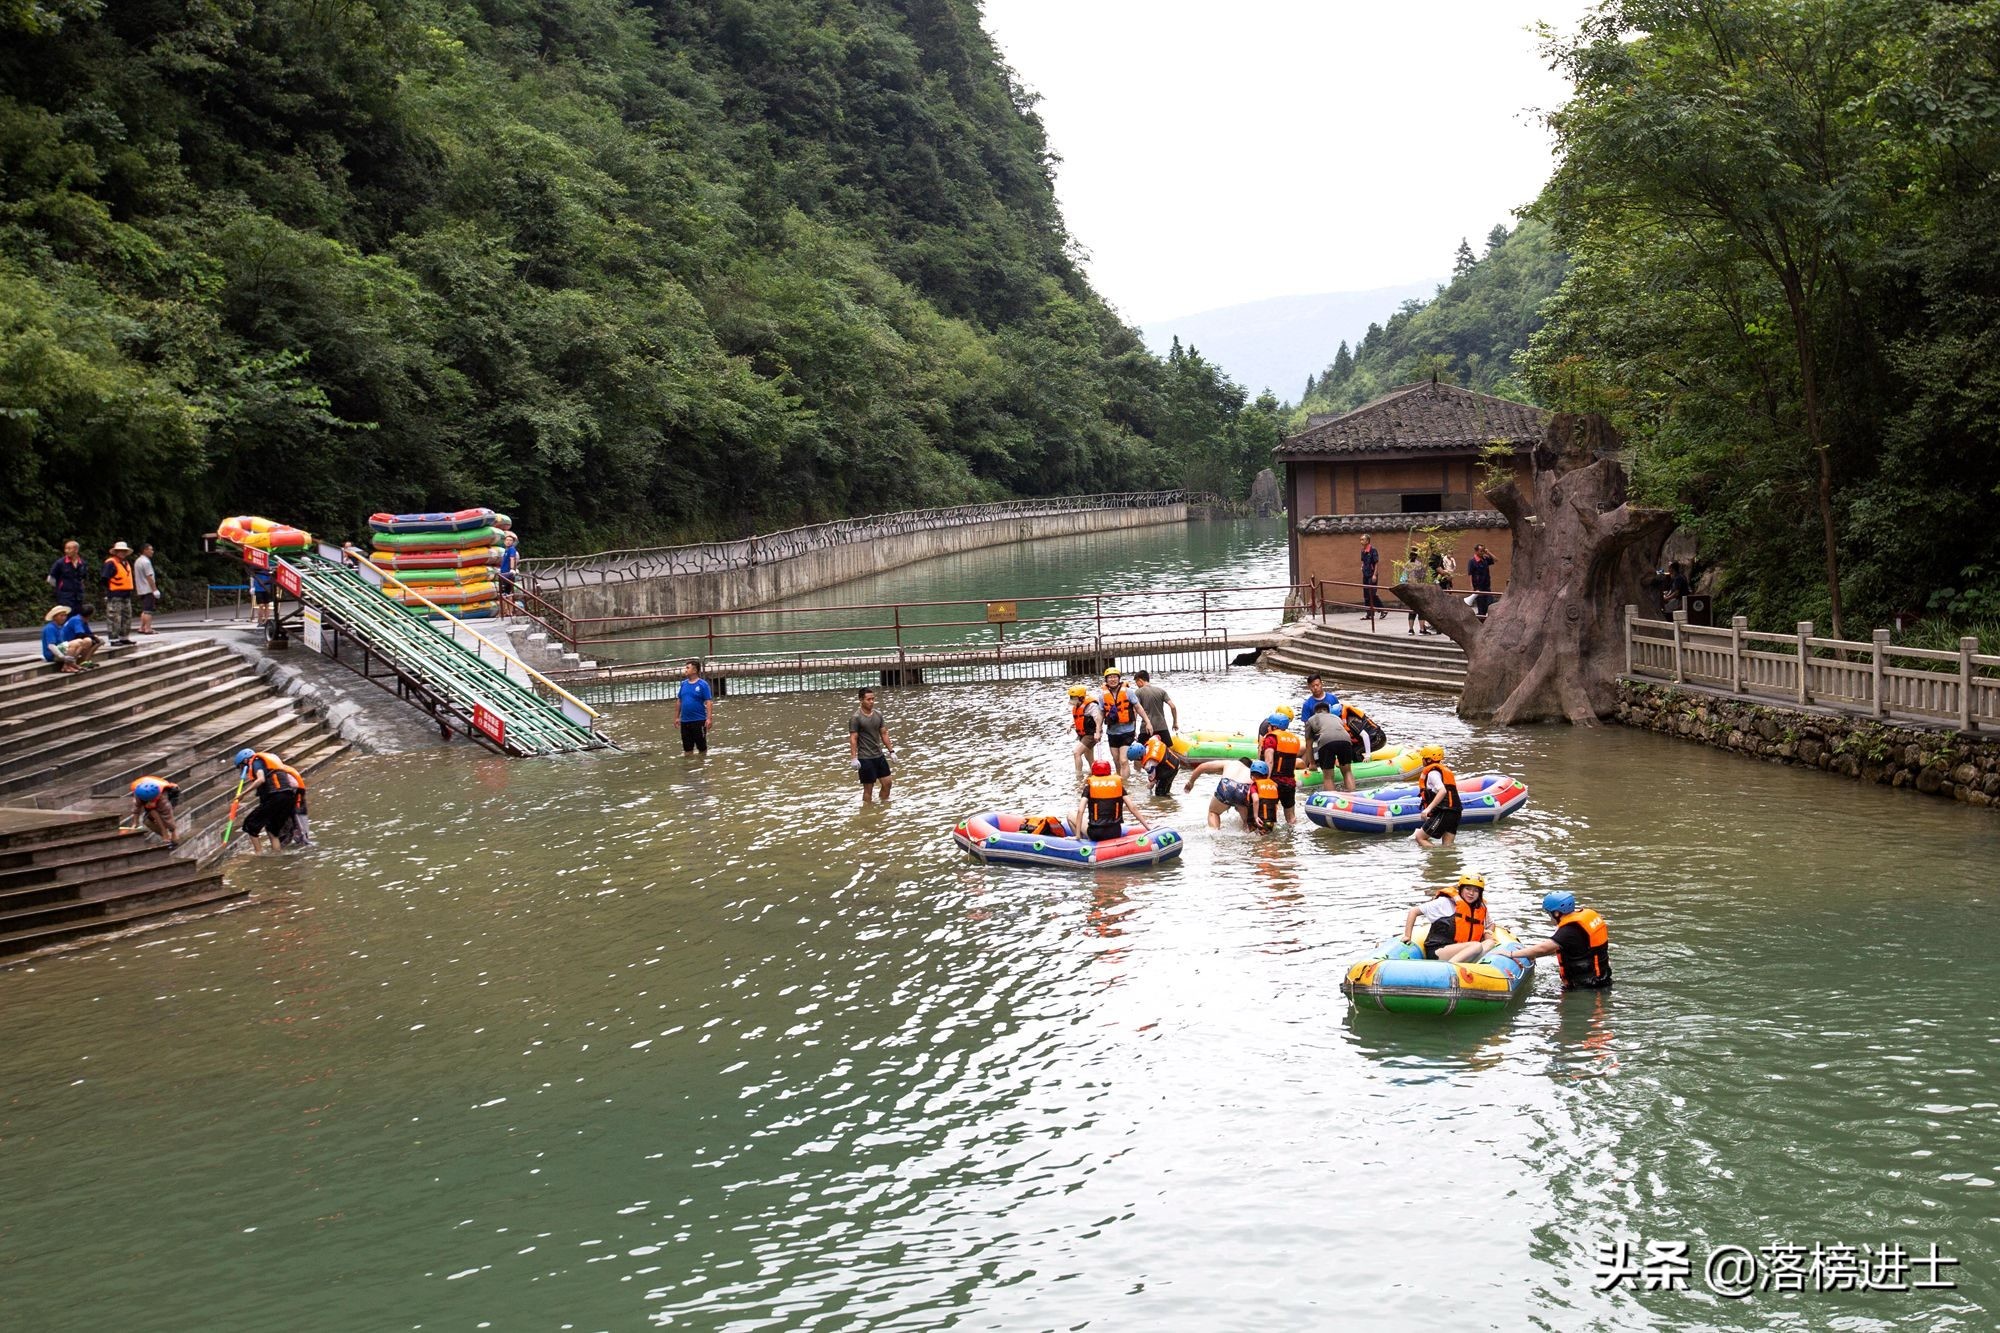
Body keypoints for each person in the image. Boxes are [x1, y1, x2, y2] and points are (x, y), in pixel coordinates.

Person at [1496, 892, 1613, 991]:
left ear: (1557, 913)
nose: (1550, 917)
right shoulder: (1584, 921)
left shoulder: (1568, 931)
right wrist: (1532, 955)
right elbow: (1559, 948)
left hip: (1584, 986)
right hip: (1602, 979)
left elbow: (1544, 948)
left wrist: (1512, 954)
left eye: (1549, 913)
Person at [1401, 873, 1493, 963]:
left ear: (1480, 893)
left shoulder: (1480, 907)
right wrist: (1407, 936)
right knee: (1476, 946)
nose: (1471, 893)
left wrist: (1487, 932)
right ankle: (1448, 969)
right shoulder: (1445, 902)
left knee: (1490, 943)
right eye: (1467, 889)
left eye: (1476, 890)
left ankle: (1470, 969)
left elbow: (1490, 924)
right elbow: (1414, 911)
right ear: (1461, 889)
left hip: (1464, 950)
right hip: (1439, 950)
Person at [235, 748, 306, 853]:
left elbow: (261, 779)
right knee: (272, 830)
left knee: (250, 825)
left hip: (276, 797)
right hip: (288, 797)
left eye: (241, 766)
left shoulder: (256, 762)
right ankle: (276, 854)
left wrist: (243, 794)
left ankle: (258, 854)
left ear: (245, 761)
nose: (242, 770)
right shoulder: (267, 764)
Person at [1182, 757, 1267, 831]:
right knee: (1246, 822)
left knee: (1213, 812)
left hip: (1226, 786)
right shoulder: (1251, 772)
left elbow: (1202, 767)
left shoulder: (1230, 763)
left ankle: (1215, 833)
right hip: (1244, 789)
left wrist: (1191, 782)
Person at [1075, 759, 1148, 843]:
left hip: (1096, 833)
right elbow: (1133, 808)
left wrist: (1077, 835)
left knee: (1070, 815)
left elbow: (1080, 811)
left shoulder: (1089, 787)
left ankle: (1079, 840)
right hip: (1115, 832)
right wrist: (1148, 828)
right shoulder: (1118, 786)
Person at [1412, 742, 1462, 849]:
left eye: (1424, 758)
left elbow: (1442, 791)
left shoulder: (1432, 774)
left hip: (1445, 811)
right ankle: (1445, 863)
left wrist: (1427, 809)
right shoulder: (1443, 771)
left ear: (1429, 760)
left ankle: (1438, 857)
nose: (1422, 760)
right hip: (1455, 812)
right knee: (1448, 845)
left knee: (1420, 837)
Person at [1257, 713, 1304, 825]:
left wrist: (1266, 780)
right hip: (1289, 783)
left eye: (1269, 725)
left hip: (1274, 782)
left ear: (1275, 727)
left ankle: (1269, 839)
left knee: (1267, 815)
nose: (1267, 728)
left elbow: (1269, 761)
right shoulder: (1294, 739)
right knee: (1291, 817)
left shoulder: (1271, 738)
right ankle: (1291, 839)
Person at [1303, 696, 1358, 791]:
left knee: (1328, 777)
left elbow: (1309, 744)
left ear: (1315, 712)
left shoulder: (1311, 719)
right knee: (1347, 772)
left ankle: (1332, 801)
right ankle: (1352, 796)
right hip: (1346, 740)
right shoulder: (1336, 718)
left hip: (1326, 741)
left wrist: (1312, 764)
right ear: (1328, 711)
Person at [850, 687, 893, 805]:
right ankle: (867, 810)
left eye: (873, 699)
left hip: (879, 755)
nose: (871, 702)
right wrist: (854, 758)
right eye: (868, 699)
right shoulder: (856, 718)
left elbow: (884, 733)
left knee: (888, 783)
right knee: (868, 789)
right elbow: (853, 738)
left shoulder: (878, 714)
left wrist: (891, 751)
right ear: (861, 700)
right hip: (865, 758)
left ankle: (883, 807)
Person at [1100, 668, 1142, 779]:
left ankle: (1126, 785)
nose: (1112, 679)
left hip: (1127, 731)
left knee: (1123, 760)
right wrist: (1097, 730)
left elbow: (1138, 707)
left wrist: (1147, 722)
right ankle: (1120, 782)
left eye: (1115, 677)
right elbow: (1100, 714)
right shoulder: (1102, 696)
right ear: (1106, 680)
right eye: (1110, 677)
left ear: (1119, 679)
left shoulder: (1128, 692)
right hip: (1112, 732)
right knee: (1116, 760)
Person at [99, 541, 136, 645]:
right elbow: (104, 578)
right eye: (120, 551)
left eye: (124, 551)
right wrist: (108, 591)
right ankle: (113, 639)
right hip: (115, 593)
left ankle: (124, 637)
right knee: (114, 617)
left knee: (127, 616)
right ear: (116, 552)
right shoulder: (110, 562)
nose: (122, 553)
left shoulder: (126, 563)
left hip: (126, 593)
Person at [128, 775, 182, 848]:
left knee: (168, 823)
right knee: (148, 820)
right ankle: (165, 834)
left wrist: (172, 829)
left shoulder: (163, 798)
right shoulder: (138, 794)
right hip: (148, 793)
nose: (150, 802)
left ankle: (171, 837)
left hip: (171, 796)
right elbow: (136, 808)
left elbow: (168, 817)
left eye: (152, 801)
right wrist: (135, 823)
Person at [40, 605, 95, 673]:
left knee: (81, 641)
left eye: (65, 615)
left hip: (60, 650)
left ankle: (71, 664)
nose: (64, 618)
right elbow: (51, 645)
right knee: (77, 642)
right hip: (52, 655)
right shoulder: (50, 628)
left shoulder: (59, 627)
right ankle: (67, 666)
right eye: (61, 616)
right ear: (55, 617)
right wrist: (62, 657)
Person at [1132, 670, 1178, 748]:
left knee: (1140, 754)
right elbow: (1173, 706)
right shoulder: (1161, 691)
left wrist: (1133, 729)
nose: (1136, 685)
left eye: (1136, 682)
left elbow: (1135, 711)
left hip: (1146, 728)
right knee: (1168, 752)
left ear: (1140, 680)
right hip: (1162, 727)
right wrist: (1175, 723)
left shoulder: (1138, 692)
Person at [677, 659, 712, 755]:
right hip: (685, 721)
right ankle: (689, 767)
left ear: (695, 670)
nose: (685, 670)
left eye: (688, 668)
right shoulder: (683, 684)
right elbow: (679, 700)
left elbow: (708, 702)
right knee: (687, 749)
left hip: (699, 720)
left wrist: (709, 718)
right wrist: (676, 717)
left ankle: (702, 764)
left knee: (702, 747)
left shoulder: (702, 684)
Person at [1069, 683, 1104, 779]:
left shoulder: (1091, 706)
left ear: (1080, 698)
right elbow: (1080, 719)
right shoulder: (1077, 706)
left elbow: (1098, 719)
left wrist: (1098, 732)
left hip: (1091, 734)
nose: (1071, 700)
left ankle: (1078, 777)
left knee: (1076, 752)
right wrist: (1071, 725)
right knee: (1088, 756)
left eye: (1074, 698)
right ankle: (1094, 773)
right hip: (1083, 734)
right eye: (1071, 697)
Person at [47, 539, 87, 614]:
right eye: (65, 548)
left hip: (78, 596)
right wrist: (60, 588)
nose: (66, 551)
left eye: (69, 549)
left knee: (77, 616)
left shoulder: (82, 563)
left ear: (76, 550)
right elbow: (50, 579)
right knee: (66, 615)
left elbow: (83, 578)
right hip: (65, 596)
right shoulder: (60, 563)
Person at [1400, 548, 1429, 635]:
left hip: (1409, 590)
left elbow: (1403, 579)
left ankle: (1411, 629)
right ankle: (1421, 629)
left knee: (1412, 610)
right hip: (1418, 589)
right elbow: (1423, 578)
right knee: (1421, 610)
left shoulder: (1406, 565)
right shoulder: (1419, 565)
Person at [134, 542, 159, 635]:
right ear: (145, 550)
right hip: (147, 588)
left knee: (145, 609)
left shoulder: (138, 561)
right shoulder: (146, 562)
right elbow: (149, 576)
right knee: (149, 610)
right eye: (150, 549)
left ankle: (142, 627)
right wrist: (155, 589)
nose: (152, 551)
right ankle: (148, 628)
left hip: (141, 588)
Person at [1467, 544, 1496, 619]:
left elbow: (1495, 560)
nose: (1482, 552)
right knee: (1481, 606)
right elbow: (1470, 574)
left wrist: (1488, 552)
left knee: (1490, 603)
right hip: (1478, 587)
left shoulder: (1485, 559)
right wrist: (1472, 587)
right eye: (1481, 551)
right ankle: (1481, 621)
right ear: (1476, 551)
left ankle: (1483, 619)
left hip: (1487, 586)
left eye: (1483, 550)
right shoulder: (1472, 561)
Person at [1359, 534, 1382, 620]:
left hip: (1372, 574)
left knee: (1372, 593)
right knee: (1366, 594)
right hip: (1365, 574)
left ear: (1367, 541)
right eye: (1360, 540)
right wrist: (1362, 566)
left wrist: (1375, 575)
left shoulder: (1373, 550)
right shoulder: (1363, 551)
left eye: (1363, 539)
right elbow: (1363, 561)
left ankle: (1382, 609)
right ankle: (1369, 613)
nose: (1361, 541)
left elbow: (1376, 563)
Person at [498, 532, 520, 613]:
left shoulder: (512, 549)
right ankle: (506, 611)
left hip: (508, 574)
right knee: (505, 593)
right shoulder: (506, 550)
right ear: (504, 541)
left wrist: (512, 569)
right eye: (507, 540)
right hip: (503, 573)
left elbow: (512, 559)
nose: (508, 541)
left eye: (510, 540)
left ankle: (509, 612)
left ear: (513, 542)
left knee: (508, 593)